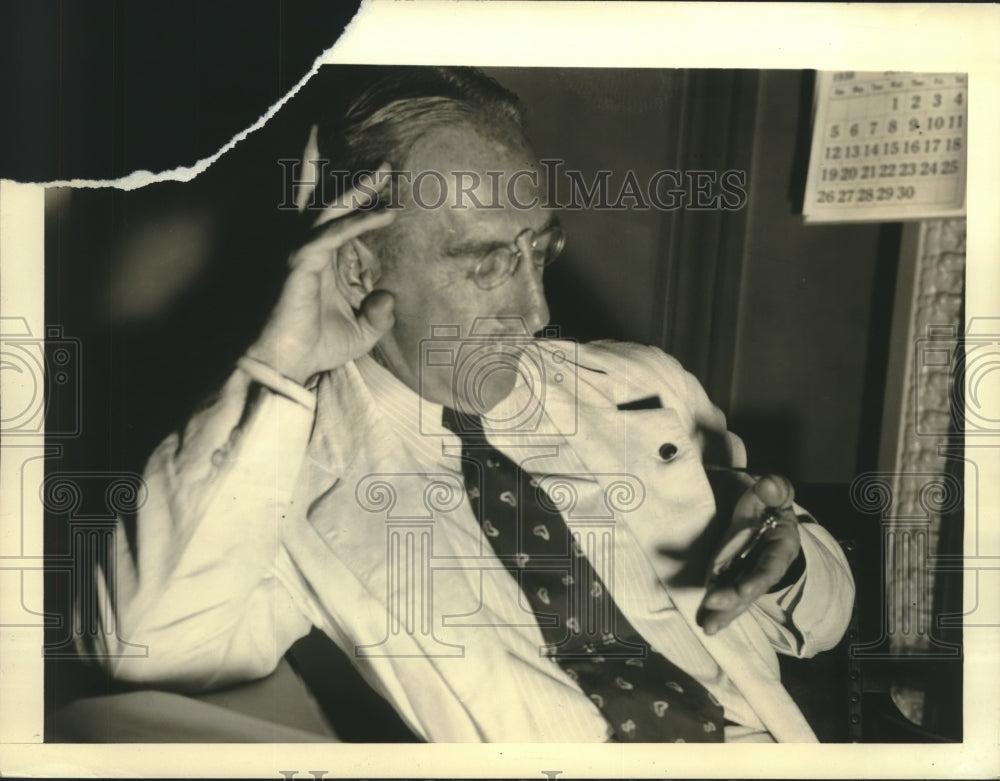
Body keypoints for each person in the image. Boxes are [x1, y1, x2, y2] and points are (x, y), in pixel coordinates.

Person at [84, 66, 854, 743]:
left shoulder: (638, 384)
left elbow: (820, 623)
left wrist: (785, 564)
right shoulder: (286, 467)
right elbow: (142, 645)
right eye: (489, 262)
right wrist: (279, 368)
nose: (537, 310)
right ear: (357, 267)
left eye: (540, 250)